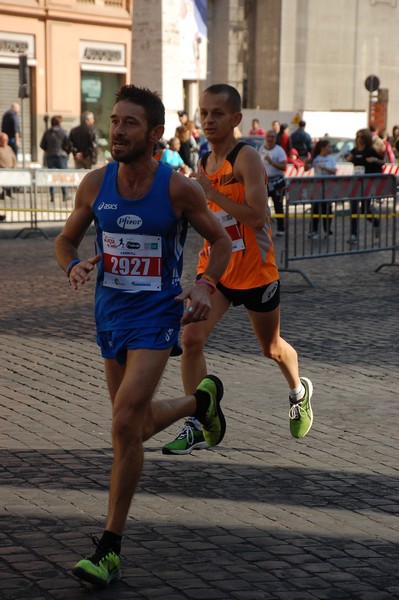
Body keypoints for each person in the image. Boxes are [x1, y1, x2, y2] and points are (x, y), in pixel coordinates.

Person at [54, 84, 232, 587]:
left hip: (157, 316)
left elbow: (219, 243)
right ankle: (201, 404)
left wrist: (203, 283)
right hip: (109, 315)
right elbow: (65, 239)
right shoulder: (94, 184)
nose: (117, 131)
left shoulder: (178, 188)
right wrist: (73, 266)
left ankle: (109, 546)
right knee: (132, 428)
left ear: (155, 134)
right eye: (114, 121)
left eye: (130, 123)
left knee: (124, 421)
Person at [162, 83, 314, 456]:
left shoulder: (246, 158)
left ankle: (299, 392)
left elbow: (258, 217)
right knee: (191, 339)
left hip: (256, 272)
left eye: (217, 114)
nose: (209, 120)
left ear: (235, 118)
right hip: (216, 268)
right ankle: (199, 419)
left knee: (272, 348)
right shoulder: (203, 162)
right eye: (204, 113)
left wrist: (210, 194)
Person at [346, 128, 384, 243]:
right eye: (357, 137)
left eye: (362, 137)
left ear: (366, 138)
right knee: (353, 209)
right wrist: (348, 158)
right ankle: (353, 235)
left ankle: (376, 222)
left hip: (367, 183)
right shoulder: (355, 150)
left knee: (365, 210)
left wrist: (374, 160)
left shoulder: (370, 150)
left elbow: (382, 162)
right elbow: (350, 158)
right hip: (355, 183)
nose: (359, 139)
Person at [258, 129, 287, 237]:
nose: (270, 139)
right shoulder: (261, 149)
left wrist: (272, 162)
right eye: (268, 136)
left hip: (277, 182)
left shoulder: (279, 150)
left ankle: (281, 229)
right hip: (264, 182)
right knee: (263, 206)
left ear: (276, 139)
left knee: (278, 206)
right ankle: (264, 229)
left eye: (272, 137)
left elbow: (284, 166)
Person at [306, 139, 336, 239]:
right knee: (315, 209)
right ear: (322, 148)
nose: (330, 149)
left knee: (327, 209)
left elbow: (334, 171)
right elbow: (306, 168)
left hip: (328, 187)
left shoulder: (331, 158)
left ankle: (327, 230)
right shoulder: (316, 158)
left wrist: (324, 167)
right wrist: (307, 160)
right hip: (317, 187)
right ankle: (314, 231)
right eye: (329, 147)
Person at [40, 115, 70, 201]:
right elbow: (68, 144)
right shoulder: (63, 132)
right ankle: (64, 195)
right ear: (59, 122)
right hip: (61, 156)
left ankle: (52, 196)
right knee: (63, 176)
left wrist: (48, 150)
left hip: (50, 156)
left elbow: (42, 145)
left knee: (51, 176)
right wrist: (66, 152)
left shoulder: (47, 132)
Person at [0, 132, 17, 213]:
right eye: (3, 140)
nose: (5, 142)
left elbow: (13, 157)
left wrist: (14, 165)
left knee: (9, 183)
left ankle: (9, 193)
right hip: (2, 170)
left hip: (10, 169)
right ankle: (3, 194)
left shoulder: (9, 148)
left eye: (6, 140)